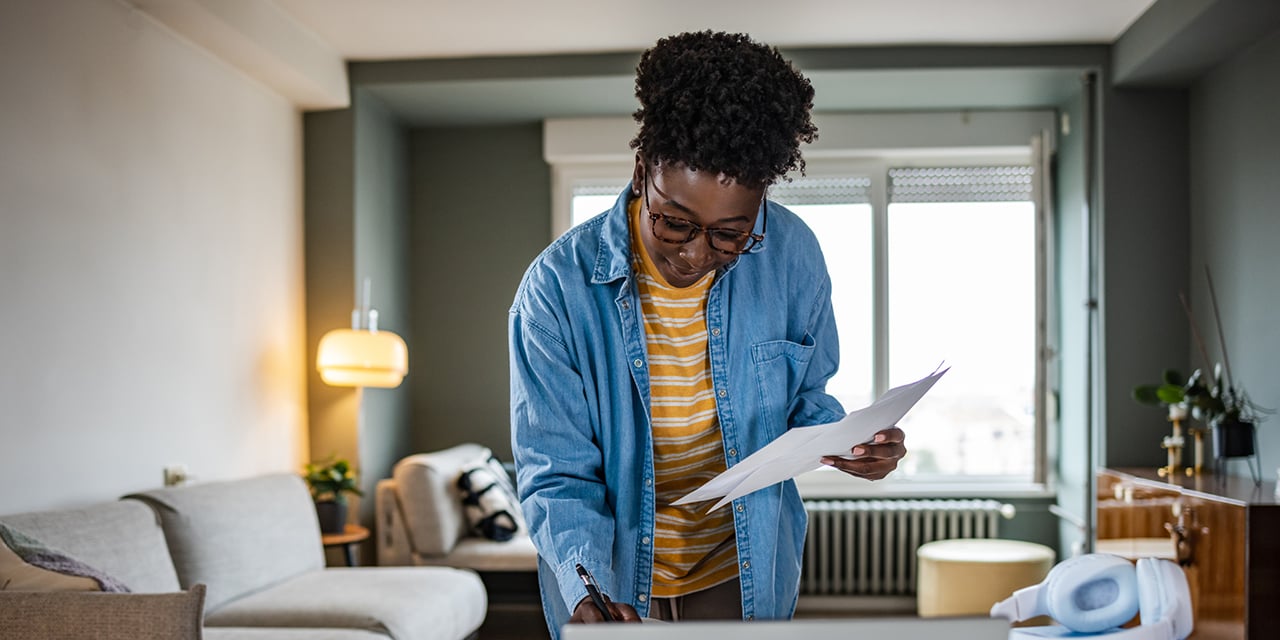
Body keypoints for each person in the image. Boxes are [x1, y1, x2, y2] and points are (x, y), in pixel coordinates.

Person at [509, 31, 906, 636]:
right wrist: (585, 583)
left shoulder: (793, 255)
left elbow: (808, 399)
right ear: (642, 171)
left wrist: (853, 443)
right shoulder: (554, 292)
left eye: (729, 235)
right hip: (612, 580)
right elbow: (557, 473)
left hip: (743, 570)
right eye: (675, 223)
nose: (695, 255)